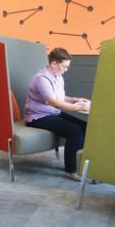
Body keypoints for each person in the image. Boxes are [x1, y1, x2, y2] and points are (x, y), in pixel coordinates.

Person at [25, 47, 91, 182]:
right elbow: (53, 102)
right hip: (38, 117)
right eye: (64, 66)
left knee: (85, 126)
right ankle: (71, 170)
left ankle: (80, 164)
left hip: (53, 113)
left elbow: (60, 97)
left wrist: (75, 100)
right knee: (75, 131)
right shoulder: (41, 79)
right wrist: (77, 108)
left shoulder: (58, 76)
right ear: (54, 63)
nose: (66, 70)